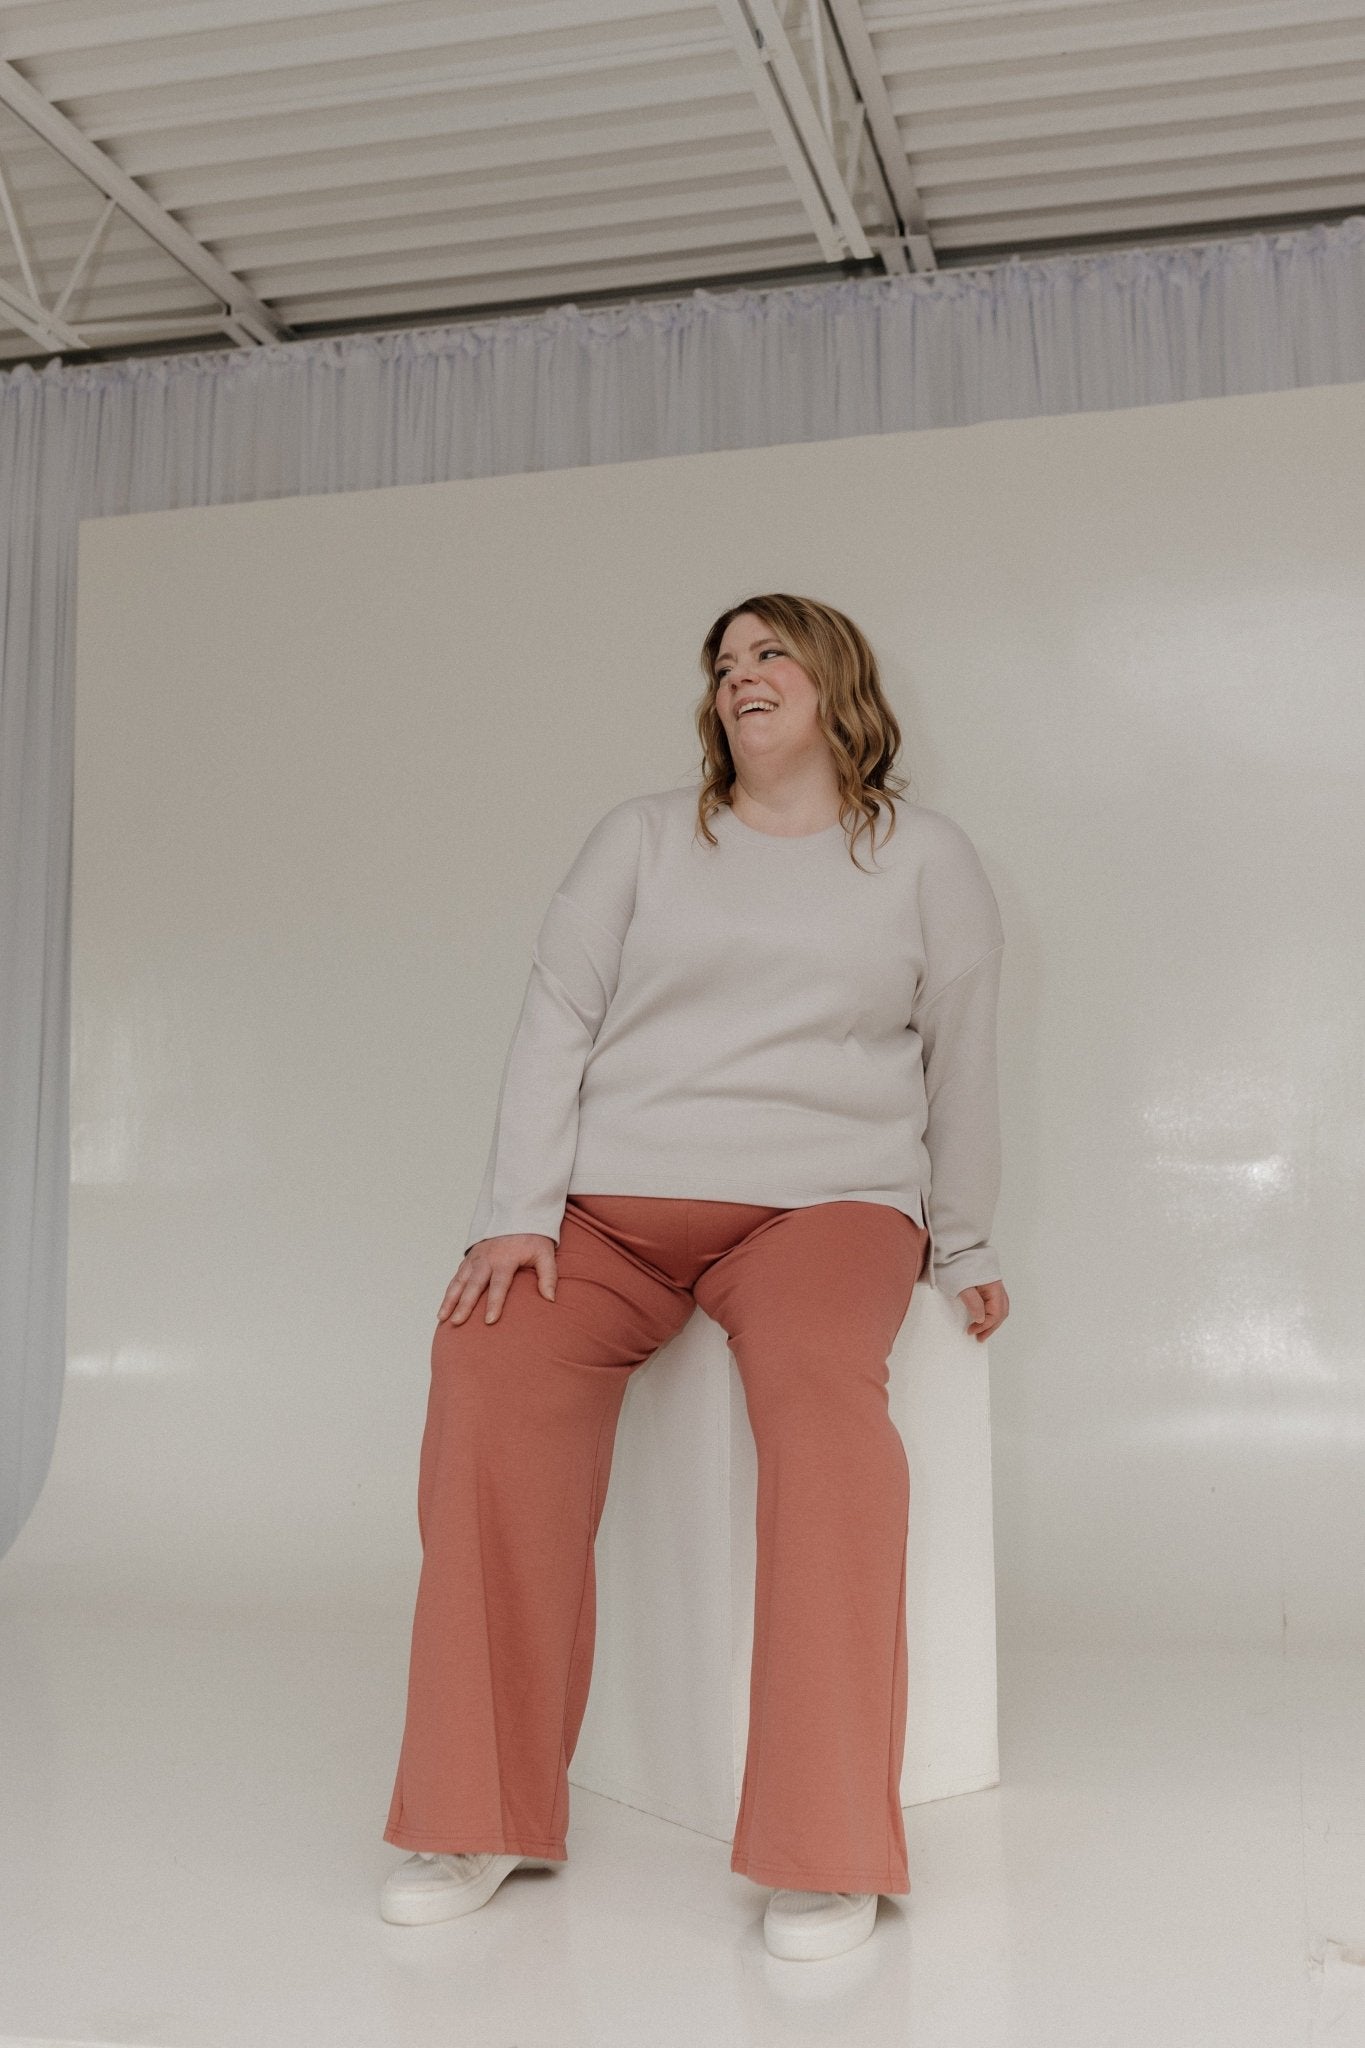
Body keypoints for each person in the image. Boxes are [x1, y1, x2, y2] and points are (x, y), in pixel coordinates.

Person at [379, 592, 1009, 1962]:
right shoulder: (643, 838)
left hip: (823, 1209)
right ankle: (478, 1810)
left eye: (769, 653)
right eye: (723, 663)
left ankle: (824, 1840)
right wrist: (514, 1214)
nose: (740, 677)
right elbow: (556, 1017)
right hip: (609, 1217)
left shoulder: (923, 859)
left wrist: (960, 1238)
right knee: (484, 1364)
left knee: (824, 1417)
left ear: (837, 681)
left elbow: (959, 1051)